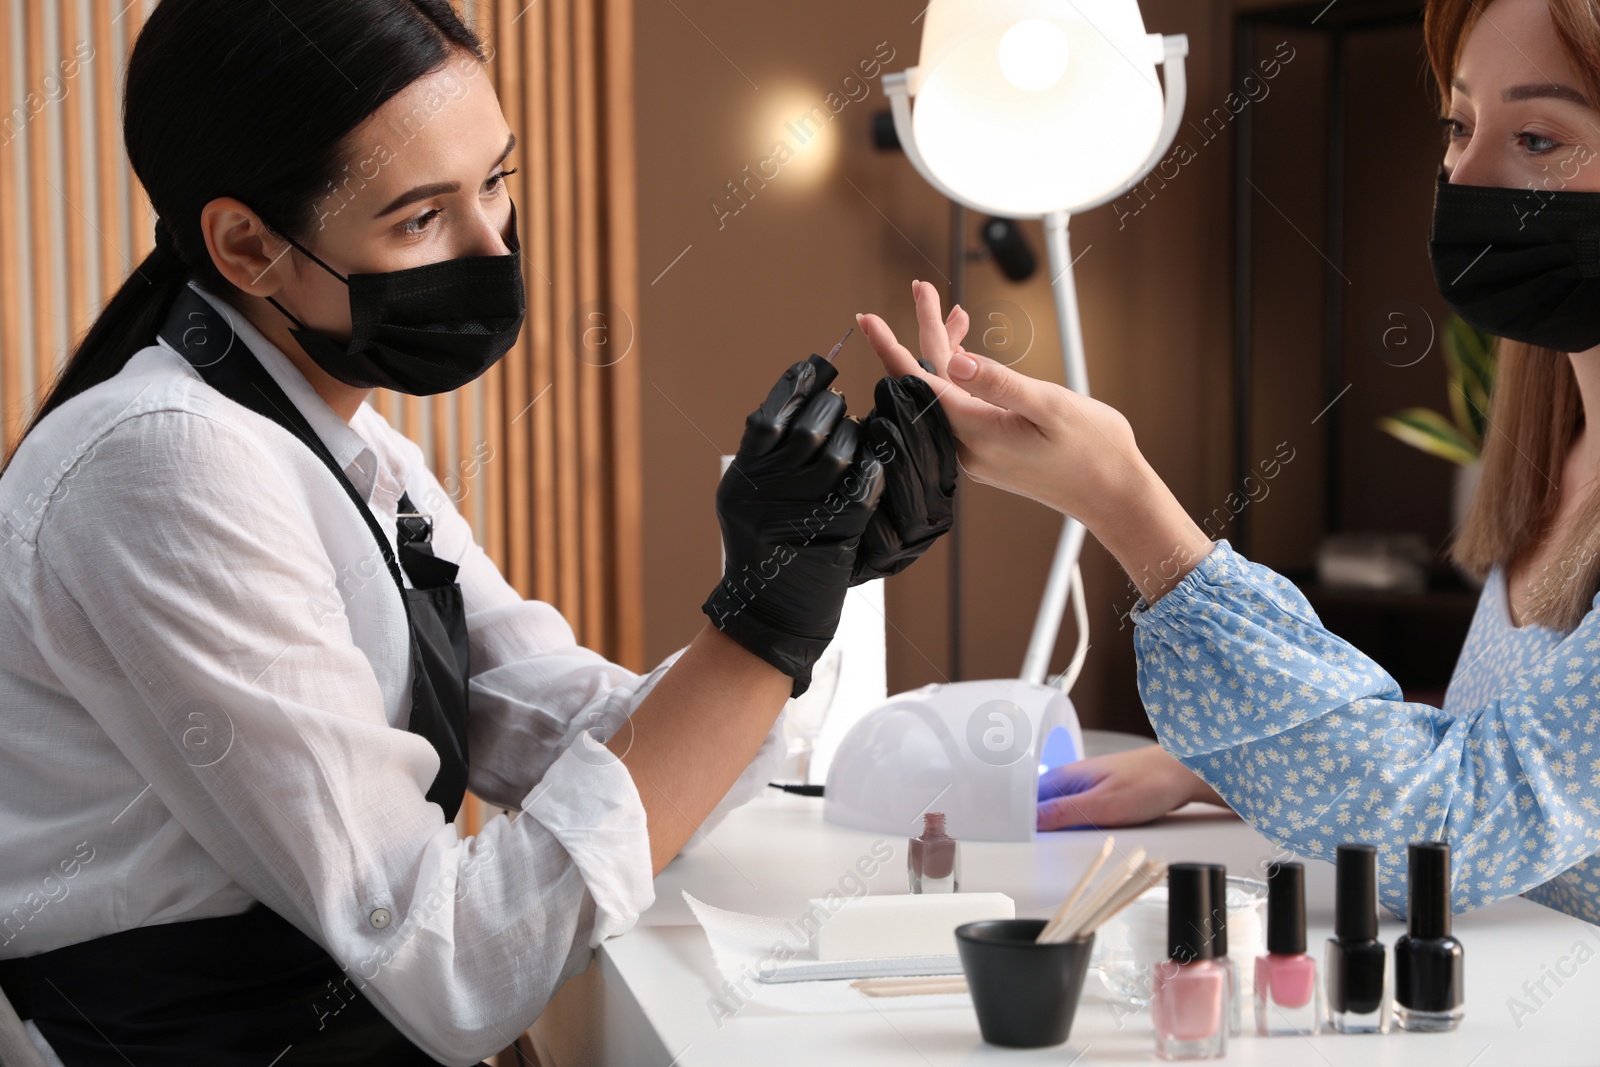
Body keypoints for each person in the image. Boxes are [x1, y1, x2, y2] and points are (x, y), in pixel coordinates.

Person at [0, 2, 955, 1064]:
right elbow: (448, 961)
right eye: (419, 218)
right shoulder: (163, 462)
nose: (493, 243)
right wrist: (758, 632)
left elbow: (578, 735)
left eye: (497, 180)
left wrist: (803, 591)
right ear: (246, 245)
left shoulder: (352, 454)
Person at [857, 0, 1600, 925]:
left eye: (1536, 136)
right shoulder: (1558, 451)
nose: (1464, 174)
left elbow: (1448, 827)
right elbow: (1513, 750)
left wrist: (1123, 500)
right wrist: (1233, 764)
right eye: (1459, 125)